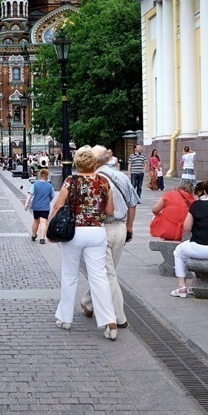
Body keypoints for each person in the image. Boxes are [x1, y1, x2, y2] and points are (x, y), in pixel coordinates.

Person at [50, 146, 119, 340]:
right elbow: (110, 210)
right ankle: (110, 322)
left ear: (77, 164)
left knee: (70, 274)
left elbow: (58, 205)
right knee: (99, 276)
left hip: (74, 232)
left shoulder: (70, 181)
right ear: (94, 164)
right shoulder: (104, 181)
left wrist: (51, 227)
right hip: (97, 231)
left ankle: (65, 318)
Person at [80, 146, 140, 327]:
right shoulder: (121, 176)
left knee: (107, 274)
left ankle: (118, 317)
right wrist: (129, 227)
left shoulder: (94, 180)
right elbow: (133, 203)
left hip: (101, 230)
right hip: (120, 229)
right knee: (107, 271)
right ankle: (88, 304)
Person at [24, 168, 54, 243]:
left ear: (40, 175)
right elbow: (52, 196)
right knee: (43, 222)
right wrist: (48, 201)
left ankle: (34, 235)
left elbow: (29, 194)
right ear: (47, 176)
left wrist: (26, 203)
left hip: (36, 206)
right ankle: (42, 238)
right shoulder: (50, 186)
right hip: (45, 207)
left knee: (36, 221)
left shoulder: (35, 185)